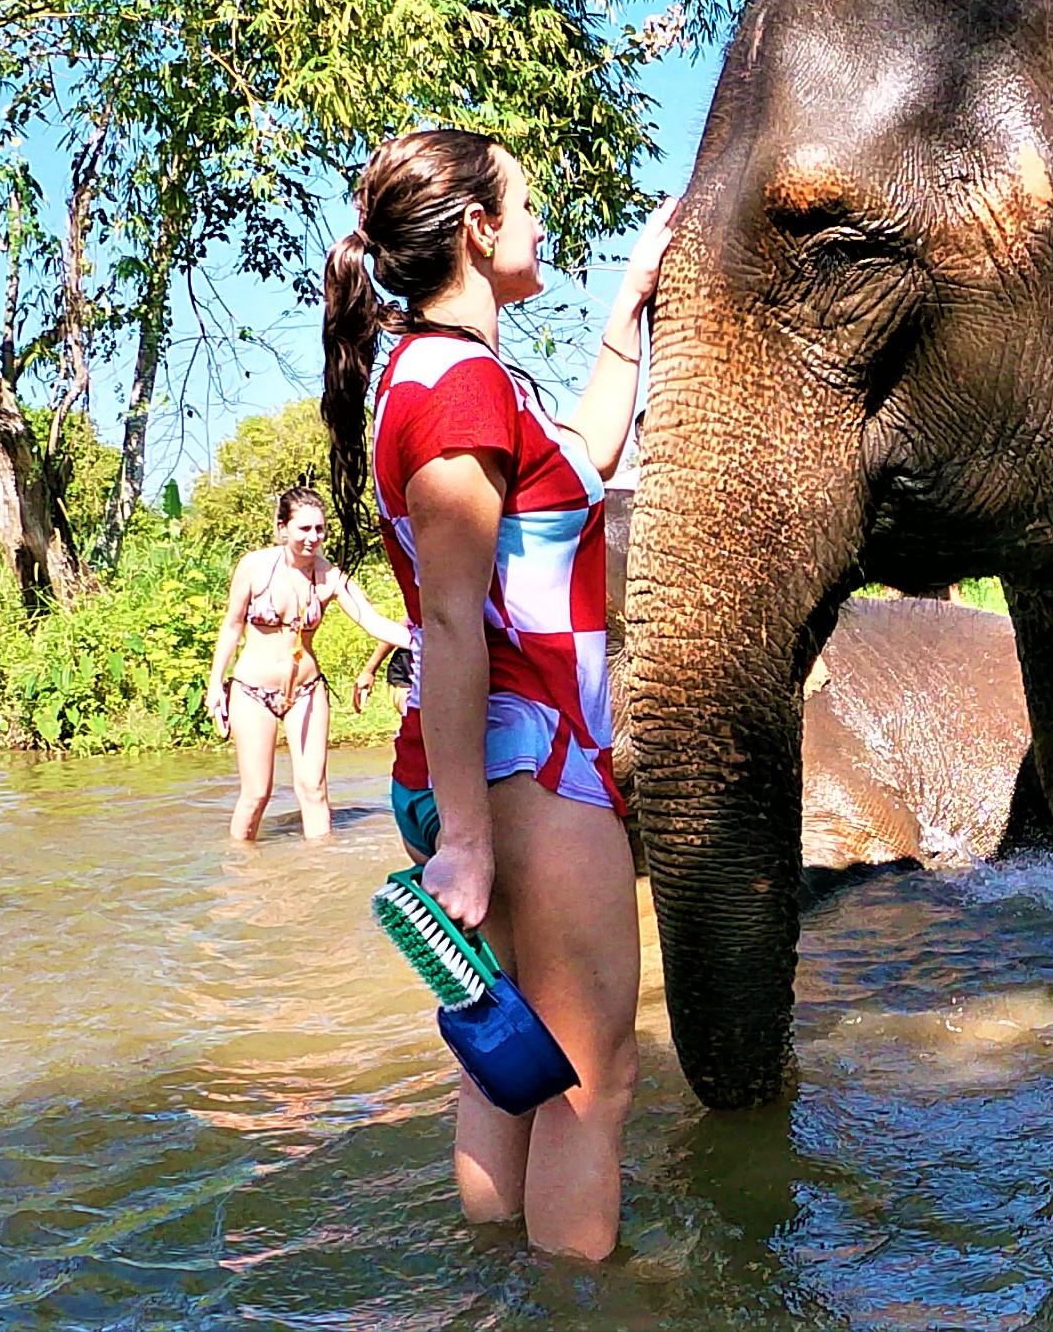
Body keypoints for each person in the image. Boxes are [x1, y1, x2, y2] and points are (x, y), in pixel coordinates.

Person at [320, 127, 672, 1261]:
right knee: (591, 1079)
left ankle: (492, 1281)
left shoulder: (433, 374)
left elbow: (577, 457)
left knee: (510, 1056)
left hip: (477, 760)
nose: (538, 222)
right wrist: (469, 839)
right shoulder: (460, 385)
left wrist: (630, 307)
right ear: (476, 228)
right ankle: (581, 1297)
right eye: (521, 202)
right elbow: (449, 619)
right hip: (523, 767)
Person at [206, 487, 411, 842]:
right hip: (252, 691)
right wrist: (214, 686)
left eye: (319, 529)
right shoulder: (254, 566)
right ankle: (239, 874)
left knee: (314, 790)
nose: (312, 538)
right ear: (282, 528)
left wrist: (427, 639)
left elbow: (372, 621)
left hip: (307, 690)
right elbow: (232, 625)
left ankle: (320, 877)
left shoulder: (331, 576)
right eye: (303, 529)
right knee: (257, 794)